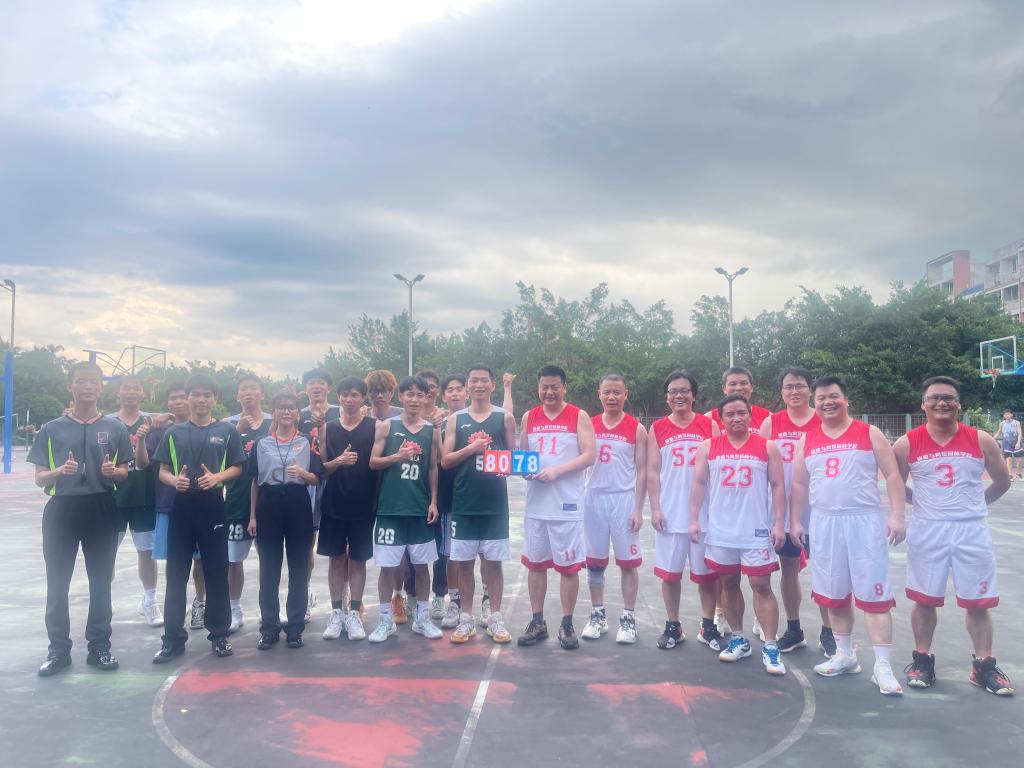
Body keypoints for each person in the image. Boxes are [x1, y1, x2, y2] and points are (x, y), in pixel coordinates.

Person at [894, 376, 1014, 696]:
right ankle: (922, 660)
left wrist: (976, 505)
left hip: (970, 529)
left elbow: (1003, 481)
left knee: (978, 602)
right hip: (928, 528)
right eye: (934, 398)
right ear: (923, 404)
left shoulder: (980, 439)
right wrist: (920, 504)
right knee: (924, 599)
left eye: (948, 398)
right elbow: (895, 484)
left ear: (959, 404)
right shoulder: (907, 443)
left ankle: (983, 665)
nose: (941, 403)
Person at [790, 375, 907, 695]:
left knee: (874, 595)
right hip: (824, 522)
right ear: (815, 403)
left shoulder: (868, 432)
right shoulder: (807, 439)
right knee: (833, 593)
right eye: (822, 398)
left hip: (862, 520)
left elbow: (893, 474)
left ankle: (882, 665)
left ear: (845, 399)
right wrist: (796, 521)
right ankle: (844, 655)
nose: (828, 402)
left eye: (834, 396)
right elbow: (799, 483)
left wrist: (898, 515)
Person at [29, 361, 132, 676]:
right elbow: (39, 477)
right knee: (57, 582)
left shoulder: (115, 428)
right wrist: (59, 471)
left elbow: (125, 471)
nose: (88, 386)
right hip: (62, 508)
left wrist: (114, 471)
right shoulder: (52, 429)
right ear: (70, 386)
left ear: (102, 386)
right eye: (82, 381)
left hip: (101, 507)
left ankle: (99, 646)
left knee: (100, 581)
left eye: (93, 381)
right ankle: (58, 650)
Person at [690, 394, 788, 676]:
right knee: (728, 583)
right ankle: (738, 638)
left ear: (750, 415)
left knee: (761, 585)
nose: (736, 418)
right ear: (721, 419)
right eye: (730, 414)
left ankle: (770, 645)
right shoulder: (709, 446)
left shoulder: (767, 447)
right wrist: (694, 519)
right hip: (721, 530)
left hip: (755, 529)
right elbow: (698, 483)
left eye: (741, 413)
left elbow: (778, 486)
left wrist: (778, 524)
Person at [151, 374, 246, 663]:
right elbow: (162, 470)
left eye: (207, 395)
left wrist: (217, 477)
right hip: (182, 505)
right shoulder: (173, 433)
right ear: (187, 397)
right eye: (195, 394)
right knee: (176, 574)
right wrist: (173, 481)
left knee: (216, 572)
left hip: (213, 505)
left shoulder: (227, 431)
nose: (201, 400)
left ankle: (219, 635)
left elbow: (238, 467)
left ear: (215, 399)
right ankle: (172, 640)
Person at [517, 365, 596, 650]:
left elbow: (590, 455)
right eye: (544, 387)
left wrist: (557, 471)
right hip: (537, 505)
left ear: (564, 387)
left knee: (568, 568)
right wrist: (520, 470)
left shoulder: (578, 415)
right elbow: (524, 457)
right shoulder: (529, 417)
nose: (549, 392)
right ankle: (537, 622)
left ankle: (567, 623)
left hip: (566, 505)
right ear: (538, 388)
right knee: (535, 565)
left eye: (554, 387)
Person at [759, 367, 834, 656]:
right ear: (781, 392)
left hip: (819, 510)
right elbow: (759, 465)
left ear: (810, 390)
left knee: (825, 570)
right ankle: (794, 629)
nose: (794, 391)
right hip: (784, 512)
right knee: (788, 570)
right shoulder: (771, 423)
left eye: (800, 386)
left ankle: (829, 632)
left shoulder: (823, 420)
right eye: (788, 386)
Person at [647, 371, 722, 650]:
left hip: (703, 515)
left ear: (693, 395)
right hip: (670, 513)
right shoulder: (658, 428)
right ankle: (673, 625)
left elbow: (718, 467)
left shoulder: (709, 425)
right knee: (670, 575)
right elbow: (652, 471)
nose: (679, 396)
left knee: (707, 576)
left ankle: (708, 626)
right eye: (673, 391)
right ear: (667, 397)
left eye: (684, 391)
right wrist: (655, 508)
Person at [441, 364, 516, 644]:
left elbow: (513, 458)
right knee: (463, 565)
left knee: (493, 563)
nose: (479, 385)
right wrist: (472, 449)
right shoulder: (455, 419)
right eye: (474, 381)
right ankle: (466, 619)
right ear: (467, 386)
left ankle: (495, 617)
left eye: (485, 380)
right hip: (464, 503)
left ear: (493, 385)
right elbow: (446, 460)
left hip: (495, 504)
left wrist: (506, 464)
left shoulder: (504, 417)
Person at [367, 376, 443, 642]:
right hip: (390, 510)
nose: (414, 399)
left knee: (422, 567)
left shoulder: (432, 431)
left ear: (426, 398)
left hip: (419, 510)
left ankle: (422, 619)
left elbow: (432, 468)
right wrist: (397, 456)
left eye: (420, 394)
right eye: (409, 394)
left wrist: (433, 501)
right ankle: (385, 620)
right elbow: (373, 462)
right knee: (388, 568)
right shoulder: (387, 426)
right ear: (400, 397)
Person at [247, 391, 320, 649]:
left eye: (291, 408)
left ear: (298, 413)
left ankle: (295, 628)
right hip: (268, 504)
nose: (286, 412)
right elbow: (255, 482)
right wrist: (253, 516)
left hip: (298, 503)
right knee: (269, 569)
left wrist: (302, 473)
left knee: (299, 568)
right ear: (274, 412)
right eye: (281, 407)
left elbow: (317, 478)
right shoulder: (261, 443)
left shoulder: (308, 441)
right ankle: (269, 627)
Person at [581, 374, 647, 644]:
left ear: (625, 394)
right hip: (593, 498)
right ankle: (598, 615)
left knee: (628, 564)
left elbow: (642, 471)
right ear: (599, 394)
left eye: (617, 392)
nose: (611, 397)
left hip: (623, 499)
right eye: (607, 392)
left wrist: (638, 509)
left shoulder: (636, 428)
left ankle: (628, 619)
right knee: (595, 563)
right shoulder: (588, 424)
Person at [705, 366, 771, 635]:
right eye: (732, 383)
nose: (738, 387)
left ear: (751, 387)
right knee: (725, 575)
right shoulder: (710, 418)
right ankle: (721, 613)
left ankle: (760, 620)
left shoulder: (766, 418)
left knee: (760, 579)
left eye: (743, 383)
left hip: (753, 508)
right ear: (724, 388)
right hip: (723, 506)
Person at [142, 383, 208, 631]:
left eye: (183, 397)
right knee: (175, 562)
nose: (179, 402)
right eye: (174, 398)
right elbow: (148, 465)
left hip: (202, 505)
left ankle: (200, 604)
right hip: (168, 505)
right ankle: (175, 612)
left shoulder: (209, 429)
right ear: (168, 404)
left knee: (201, 561)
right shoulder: (159, 432)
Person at [319, 377, 378, 641]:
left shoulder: (375, 427)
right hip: (333, 504)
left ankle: (354, 612)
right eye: (345, 394)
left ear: (363, 398)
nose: (349, 399)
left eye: (354, 395)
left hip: (364, 505)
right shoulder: (327, 428)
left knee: (357, 560)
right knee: (335, 559)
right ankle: (336, 613)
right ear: (339, 397)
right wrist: (339, 461)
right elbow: (321, 469)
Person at [109, 375, 161, 628]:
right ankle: (103, 600)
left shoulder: (152, 422)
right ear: (117, 393)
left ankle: (149, 601)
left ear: (143, 393)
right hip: (112, 498)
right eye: (126, 388)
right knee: (106, 552)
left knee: (146, 552)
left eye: (136, 388)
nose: (131, 392)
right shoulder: (106, 422)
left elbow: (175, 415)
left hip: (144, 497)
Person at [224, 374, 271, 633]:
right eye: (244, 389)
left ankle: (268, 609)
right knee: (234, 560)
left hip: (269, 502)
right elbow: (216, 459)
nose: (249, 393)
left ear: (263, 394)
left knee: (269, 559)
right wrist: (237, 431)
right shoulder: (227, 426)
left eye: (254, 389)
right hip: (236, 500)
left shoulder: (274, 423)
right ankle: (234, 610)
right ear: (237, 395)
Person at [365, 369, 410, 624]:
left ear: (392, 393)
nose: (379, 395)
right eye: (374, 391)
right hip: (363, 488)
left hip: (394, 489)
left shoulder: (400, 416)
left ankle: (397, 595)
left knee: (397, 550)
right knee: (353, 549)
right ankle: (352, 600)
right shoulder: (361, 415)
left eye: (383, 390)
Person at [299, 369, 341, 623]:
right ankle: (304, 594)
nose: (316, 387)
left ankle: (346, 598)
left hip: (335, 481)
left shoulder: (341, 412)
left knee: (342, 546)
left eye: (321, 383)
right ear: (305, 389)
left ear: (329, 388)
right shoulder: (297, 414)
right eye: (311, 383)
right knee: (306, 542)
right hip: (308, 482)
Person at [437, 373, 468, 628]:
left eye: (459, 389)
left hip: (479, 498)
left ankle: (486, 601)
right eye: (450, 390)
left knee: (486, 555)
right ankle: (454, 601)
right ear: (443, 395)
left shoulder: (482, 420)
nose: (455, 393)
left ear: (467, 392)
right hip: (449, 497)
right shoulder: (439, 425)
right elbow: (435, 464)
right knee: (451, 554)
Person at [992, 410, 1021, 480]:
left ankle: (1019, 473)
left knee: (1020, 460)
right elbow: (999, 432)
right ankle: (1009, 475)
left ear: (1011, 415)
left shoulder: (1016, 422)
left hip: (1016, 442)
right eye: (1005, 414)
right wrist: (991, 439)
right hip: (1007, 443)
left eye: (1008, 414)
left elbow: (1020, 432)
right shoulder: (1002, 424)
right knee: (1009, 459)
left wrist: (1018, 442)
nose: (1007, 416)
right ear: (1004, 416)